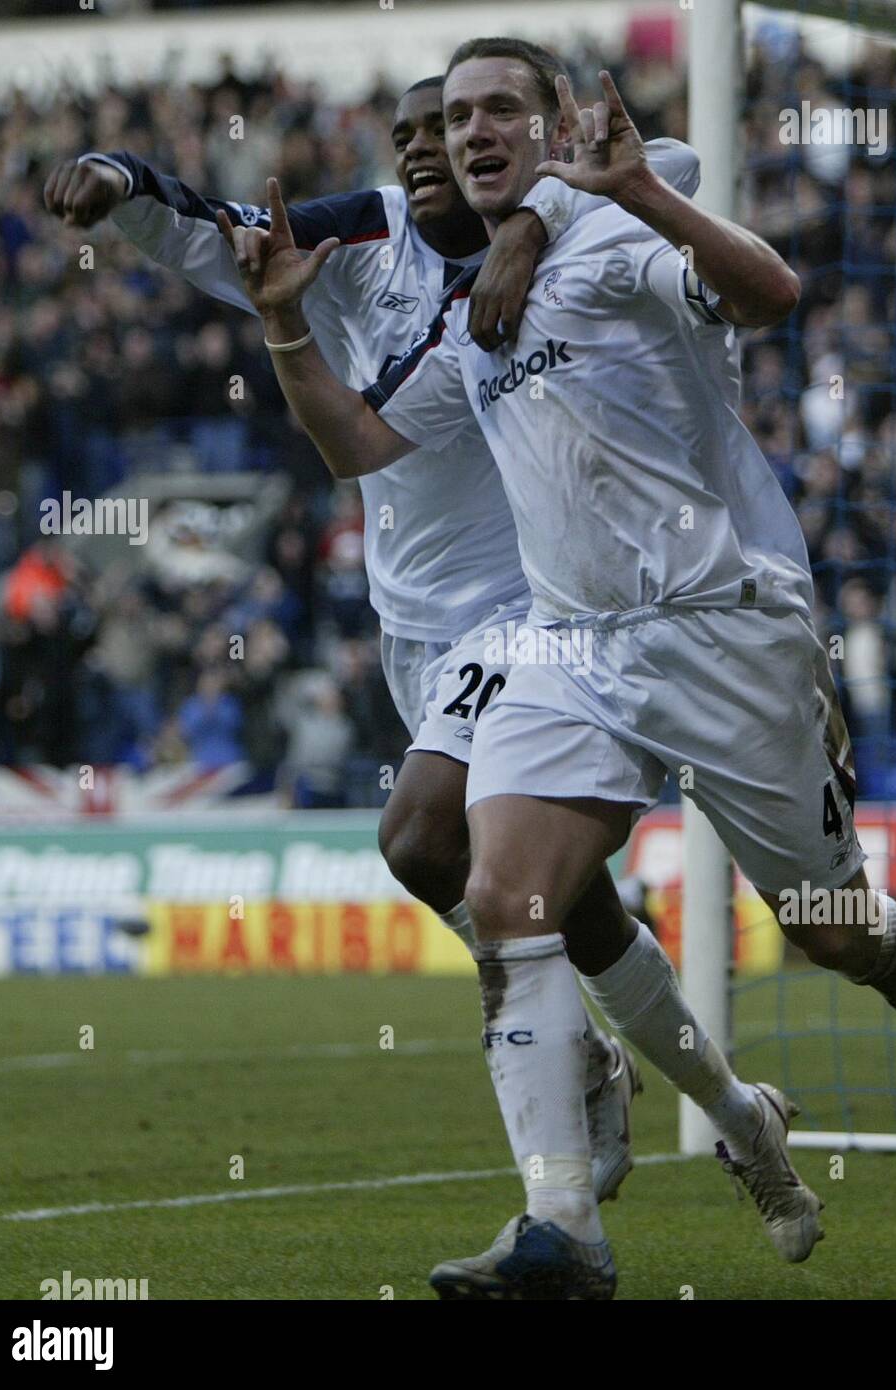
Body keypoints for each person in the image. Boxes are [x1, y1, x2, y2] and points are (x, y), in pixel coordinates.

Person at [228, 38, 896, 1299]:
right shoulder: (470, 316)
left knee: (835, 932)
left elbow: (773, 293)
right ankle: (561, 1227)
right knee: (507, 900)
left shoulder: (614, 234)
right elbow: (355, 444)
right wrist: (285, 321)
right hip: (567, 644)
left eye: (500, 108)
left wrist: (640, 194)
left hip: (719, 626)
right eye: (456, 119)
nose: (471, 132)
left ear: (555, 122)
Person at [44, 81, 704, 1206]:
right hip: (412, 628)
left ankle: (573, 1177)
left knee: (411, 843)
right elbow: (217, 235)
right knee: (562, 905)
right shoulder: (354, 239)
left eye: (442, 127)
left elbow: (677, 162)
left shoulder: (548, 223)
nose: (421, 148)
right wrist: (120, 181)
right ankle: (699, 1094)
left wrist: (535, 220)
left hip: (527, 615)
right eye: (403, 134)